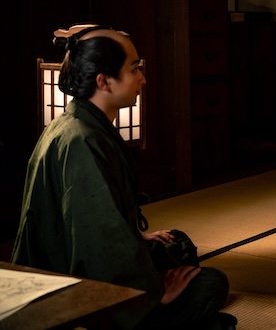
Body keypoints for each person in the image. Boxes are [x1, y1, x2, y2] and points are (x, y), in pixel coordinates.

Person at [11, 25, 237, 329]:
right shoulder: (82, 140)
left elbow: (90, 220)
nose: (143, 78)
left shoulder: (77, 123)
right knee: (210, 284)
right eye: (134, 69)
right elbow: (96, 240)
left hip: (83, 258)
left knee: (177, 244)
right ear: (104, 81)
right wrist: (155, 294)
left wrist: (137, 237)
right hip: (69, 284)